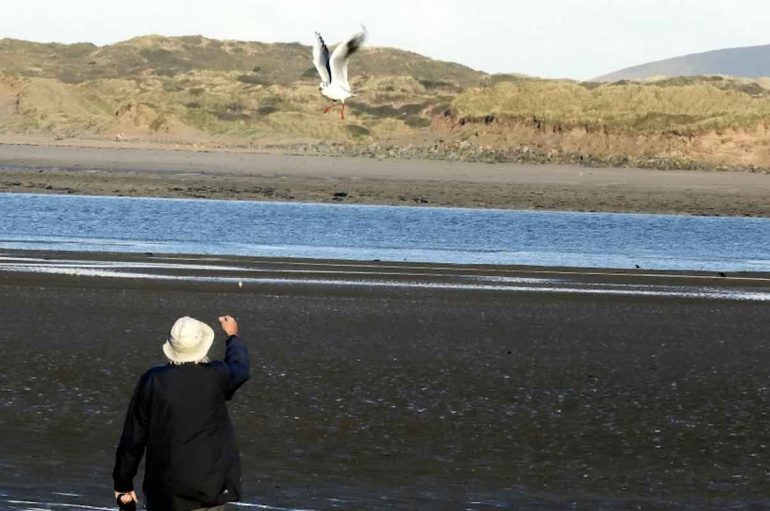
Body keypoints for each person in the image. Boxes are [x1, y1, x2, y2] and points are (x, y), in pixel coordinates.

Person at [113, 315, 250, 511]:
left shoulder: (154, 380)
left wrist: (123, 483)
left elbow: (133, 438)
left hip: (166, 492)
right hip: (211, 489)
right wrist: (232, 336)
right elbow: (240, 367)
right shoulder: (216, 375)